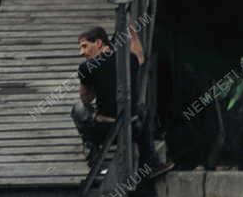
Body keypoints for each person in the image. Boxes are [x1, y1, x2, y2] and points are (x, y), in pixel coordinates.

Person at [71, 26, 171, 176]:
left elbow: (86, 99)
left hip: (107, 131)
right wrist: (134, 34)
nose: (82, 53)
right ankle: (150, 163)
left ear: (98, 43)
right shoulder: (128, 59)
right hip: (133, 128)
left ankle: (92, 153)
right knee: (142, 110)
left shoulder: (86, 67)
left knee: (78, 109)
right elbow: (140, 57)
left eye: (85, 46)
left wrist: (88, 80)